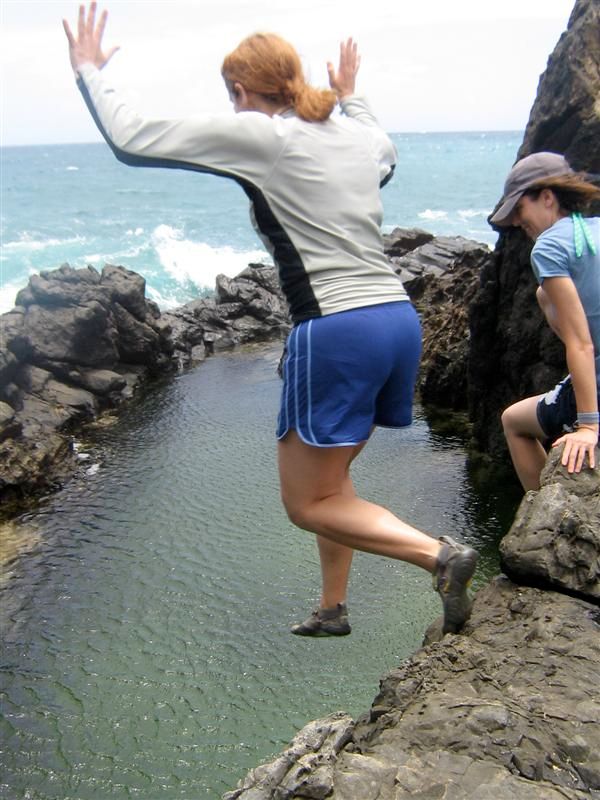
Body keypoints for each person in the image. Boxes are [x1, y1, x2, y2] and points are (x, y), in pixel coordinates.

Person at [63, 2, 478, 637]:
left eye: (232, 99)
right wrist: (351, 96)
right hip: (397, 319)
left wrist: (90, 70)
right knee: (333, 485)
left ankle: (439, 557)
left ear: (240, 89)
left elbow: (132, 139)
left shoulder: (267, 135)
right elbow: (386, 153)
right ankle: (332, 608)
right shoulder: (352, 134)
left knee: (305, 503)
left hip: (338, 331)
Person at [490, 152, 600, 491]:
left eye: (520, 209)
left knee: (513, 421)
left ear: (548, 197)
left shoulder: (549, 247)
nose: (518, 223)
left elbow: (581, 342)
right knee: (542, 294)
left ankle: (541, 511)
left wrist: (589, 427)